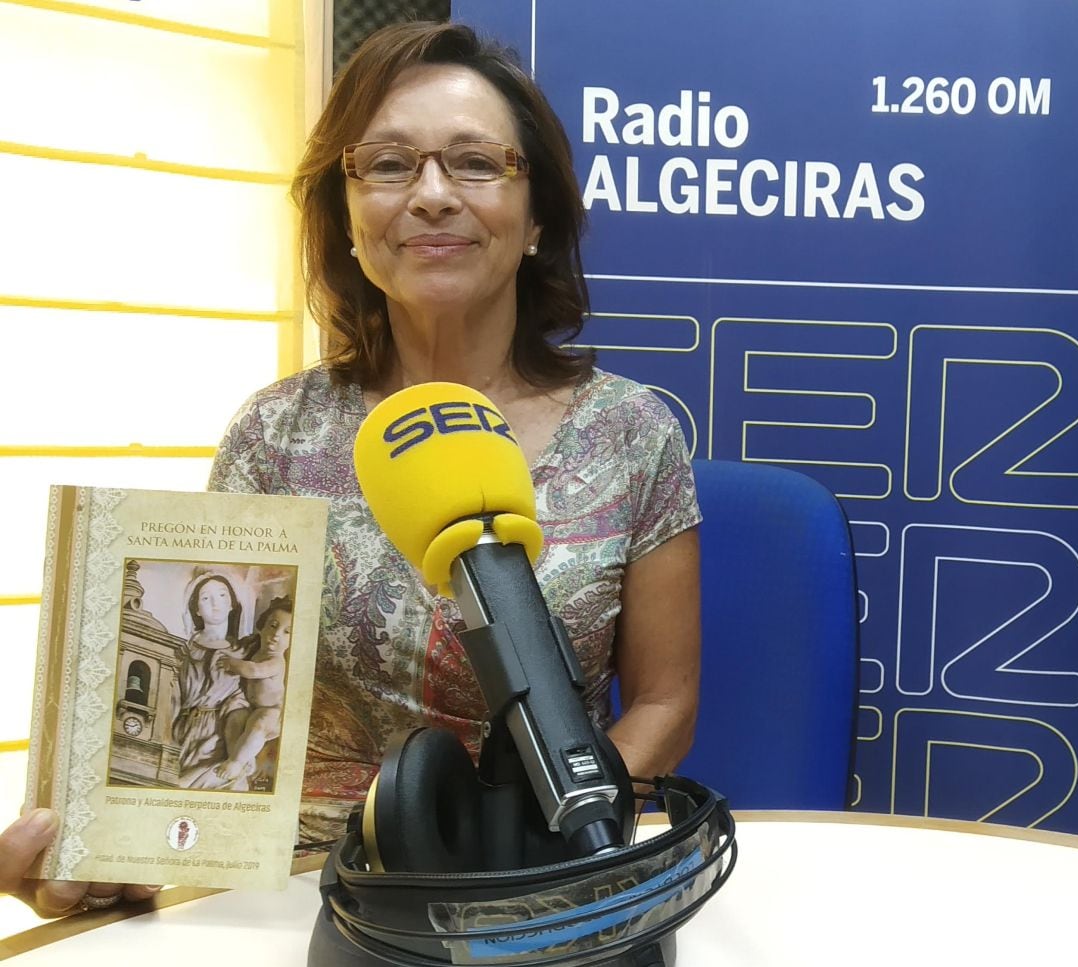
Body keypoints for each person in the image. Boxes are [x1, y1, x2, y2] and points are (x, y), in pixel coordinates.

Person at [1, 19, 700, 911]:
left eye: (476, 163)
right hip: (297, 890)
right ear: (349, 220)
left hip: (540, 875)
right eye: (390, 164)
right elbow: (208, 715)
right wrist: (124, 846)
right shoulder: (272, 435)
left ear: (536, 222)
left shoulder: (635, 434)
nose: (434, 194)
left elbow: (665, 704)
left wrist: (551, 838)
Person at [173, 573, 252, 790]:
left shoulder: (243, 652)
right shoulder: (183, 651)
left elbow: (244, 699)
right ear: (196, 609)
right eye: (206, 598)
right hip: (184, 732)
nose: (215, 602)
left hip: (223, 735)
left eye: (222, 595)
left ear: (232, 604)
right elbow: (172, 696)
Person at [214, 597, 293, 784]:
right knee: (234, 721)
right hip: (252, 706)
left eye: (287, 632)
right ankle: (241, 757)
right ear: (261, 627)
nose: (276, 635)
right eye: (273, 626)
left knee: (257, 726)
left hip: (272, 712)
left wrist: (233, 664)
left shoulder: (276, 661)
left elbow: (254, 671)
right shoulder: (258, 650)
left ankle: (235, 762)